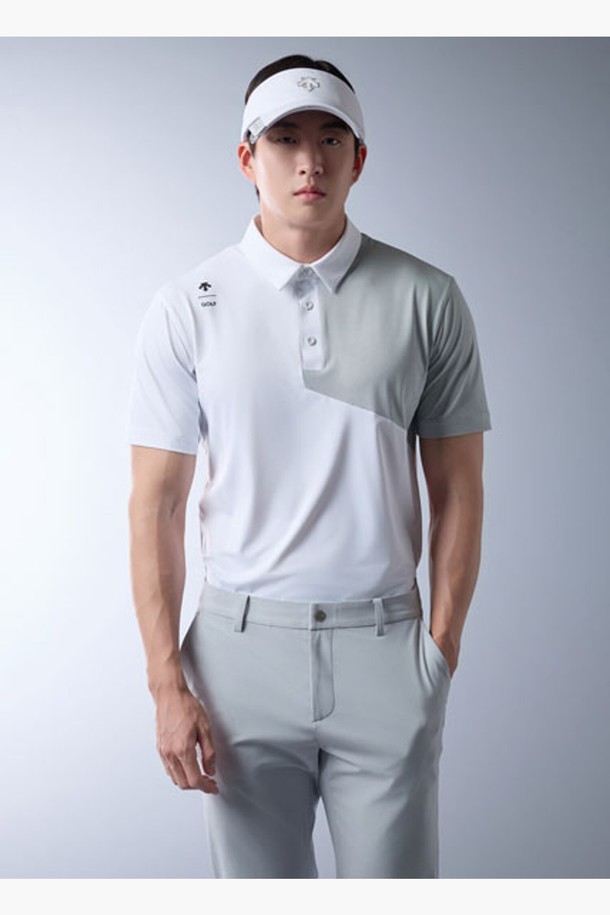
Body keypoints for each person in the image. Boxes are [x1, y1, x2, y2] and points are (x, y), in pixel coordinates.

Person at [126, 53, 492, 879]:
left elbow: (459, 489)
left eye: (331, 138)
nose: (309, 161)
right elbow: (155, 505)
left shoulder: (428, 297)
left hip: (385, 647)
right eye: (284, 138)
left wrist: (438, 651)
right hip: (236, 660)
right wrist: (165, 682)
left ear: (359, 158)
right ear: (246, 156)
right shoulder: (187, 307)